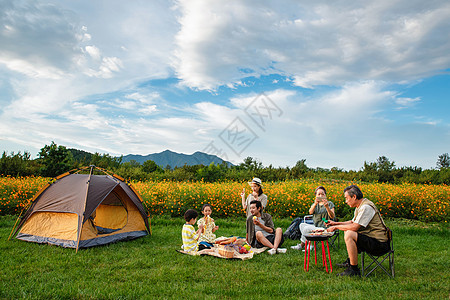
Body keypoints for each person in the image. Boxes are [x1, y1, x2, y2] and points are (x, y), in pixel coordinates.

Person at [326, 185, 390, 277]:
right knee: (348, 230)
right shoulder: (360, 206)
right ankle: (350, 262)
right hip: (372, 239)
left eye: (347, 198)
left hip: (379, 244)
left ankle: (354, 269)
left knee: (350, 233)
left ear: (354, 197)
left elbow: (355, 227)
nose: (346, 201)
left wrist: (336, 228)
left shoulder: (366, 207)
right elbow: (352, 222)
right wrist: (335, 223)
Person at [291, 186, 335, 251]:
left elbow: (332, 216)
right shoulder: (315, 204)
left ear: (325, 195)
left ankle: (304, 245)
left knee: (306, 228)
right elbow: (310, 212)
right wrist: (315, 204)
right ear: (316, 196)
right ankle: (309, 245)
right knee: (301, 225)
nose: (321, 195)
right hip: (316, 226)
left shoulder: (330, 204)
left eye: (322, 194)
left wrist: (327, 207)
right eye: (319, 194)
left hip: (326, 228)